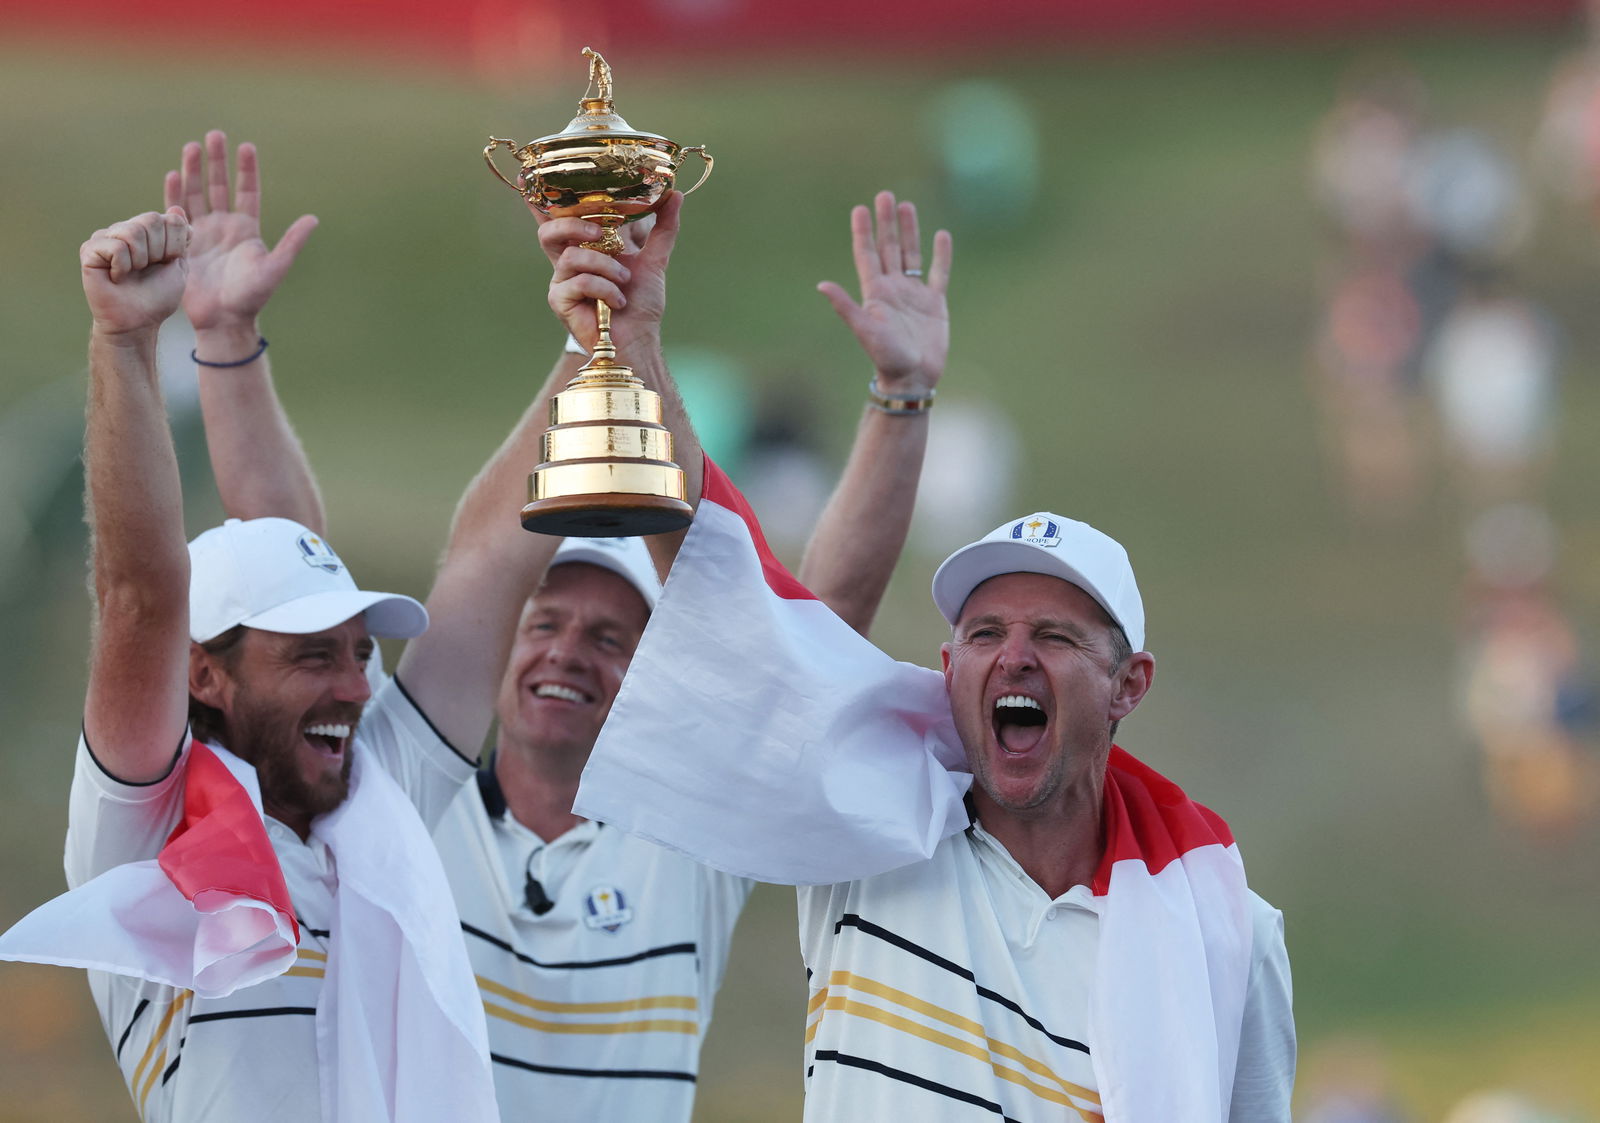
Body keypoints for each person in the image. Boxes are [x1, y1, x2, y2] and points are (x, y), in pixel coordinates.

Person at [161, 135, 957, 1120]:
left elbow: (812, 635)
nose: (567, 648)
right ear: (502, 642)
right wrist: (227, 339)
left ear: (656, 669)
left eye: (611, 635)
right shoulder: (403, 796)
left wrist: (901, 397)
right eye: (545, 618)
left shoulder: (686, 828)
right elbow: (295, 580)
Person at [549, 193, 1295, 1120]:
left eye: (1054, 635)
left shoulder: (1225, 929)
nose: (1012, 657)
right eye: (984, 633)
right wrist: (635, 343)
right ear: (948, 667)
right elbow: (757, 602)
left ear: (1127, 685)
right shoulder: (870, 819)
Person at [0, 130, 579, 1121]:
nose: (357, 684)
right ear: (204, 676)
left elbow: (490, 555)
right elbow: (140, 594)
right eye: (313, 656)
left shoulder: (379, 784)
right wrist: (125, 343)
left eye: (360, 651)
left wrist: (594, 332)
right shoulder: (146, 832)